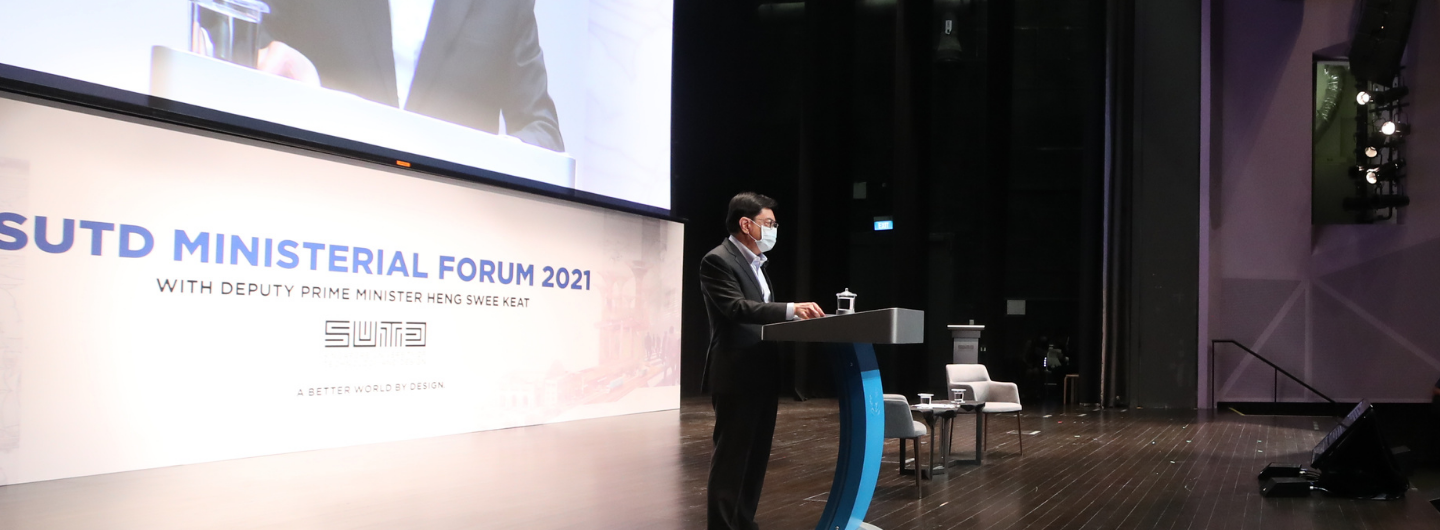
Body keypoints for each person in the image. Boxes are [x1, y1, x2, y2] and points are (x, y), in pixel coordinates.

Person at [252, 0, 565, 152]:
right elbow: (245, 52)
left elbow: (542, 131)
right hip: (310, 208)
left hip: (450, 238)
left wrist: (487, 157)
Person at [699, 192, 823, 530]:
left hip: (762, 372)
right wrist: (790, 309)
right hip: (736, 373)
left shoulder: (758, 265)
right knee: (732, 458)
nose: (772, 230)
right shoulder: (718, 260)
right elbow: (737, 309)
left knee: (755, 458)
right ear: (746, 224)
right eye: (768, 224)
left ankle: (744, 521)